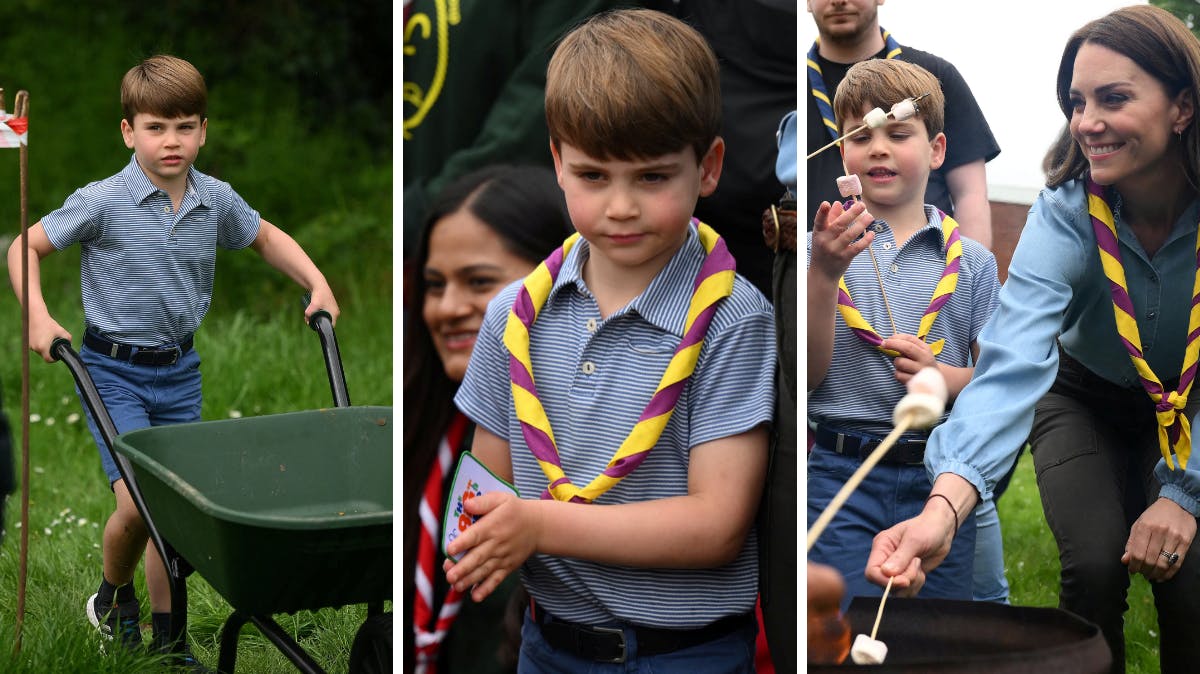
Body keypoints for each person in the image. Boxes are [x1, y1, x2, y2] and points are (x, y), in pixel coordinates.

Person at [865, 6, 1200, 672]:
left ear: (1183, 107)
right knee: (1096, 563)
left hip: (1188, 404)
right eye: (1077, 102)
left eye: (1114, 98)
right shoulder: (1068, 212)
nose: (1086, 122)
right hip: (1083, 398)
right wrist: (946, 506)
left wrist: (1183, 494)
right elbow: (1014, 359)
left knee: (1189, 583)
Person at [447, 9, 776, 672]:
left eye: (652, 177)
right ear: (557, 164)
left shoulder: (735, 320)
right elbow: (483, 487)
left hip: (685, 654)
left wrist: (537, 525)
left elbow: (717, 527)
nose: (621, 206)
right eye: (594, 176)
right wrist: (479, 534)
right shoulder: (511, 316)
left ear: (707, 167)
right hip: (546, 645)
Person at [4, 54, 339, 668]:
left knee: (175, 509)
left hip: (178, 373)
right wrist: (38, 317)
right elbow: (25, 247)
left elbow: (265, 236)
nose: (172, 140)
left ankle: (169, 639)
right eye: (156, 127)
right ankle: (112, 595)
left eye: (184, 126)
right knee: (139, 502)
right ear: (129, 131)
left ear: (203, 130)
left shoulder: (215, 200)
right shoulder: (102, 201)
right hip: (111, 370)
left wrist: (316, 280)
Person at [806, 57, 1000, 610]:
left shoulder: (973, 262)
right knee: (838, 625)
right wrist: (823, 277)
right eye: (861, 136)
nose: (879, 148)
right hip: (842, 471)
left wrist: (943, 376)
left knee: (935, 634)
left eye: (898, 133)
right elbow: (810, 374)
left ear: (937, 150)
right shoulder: (824, 248)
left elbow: (993, 379)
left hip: (939, 476)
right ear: (843, 152)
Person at [402, 164, 574, 674]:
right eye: (434, 285)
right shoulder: (419, 423)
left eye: (478, 282)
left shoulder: (600, 440)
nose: (448, 308)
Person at [805, 0, 1000, 249]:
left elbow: (970, 194)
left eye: (898, 135)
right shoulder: (794, 81)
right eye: (861, 137)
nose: (839, 1)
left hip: (935, 267)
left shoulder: (936, 75)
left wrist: (965, 272)